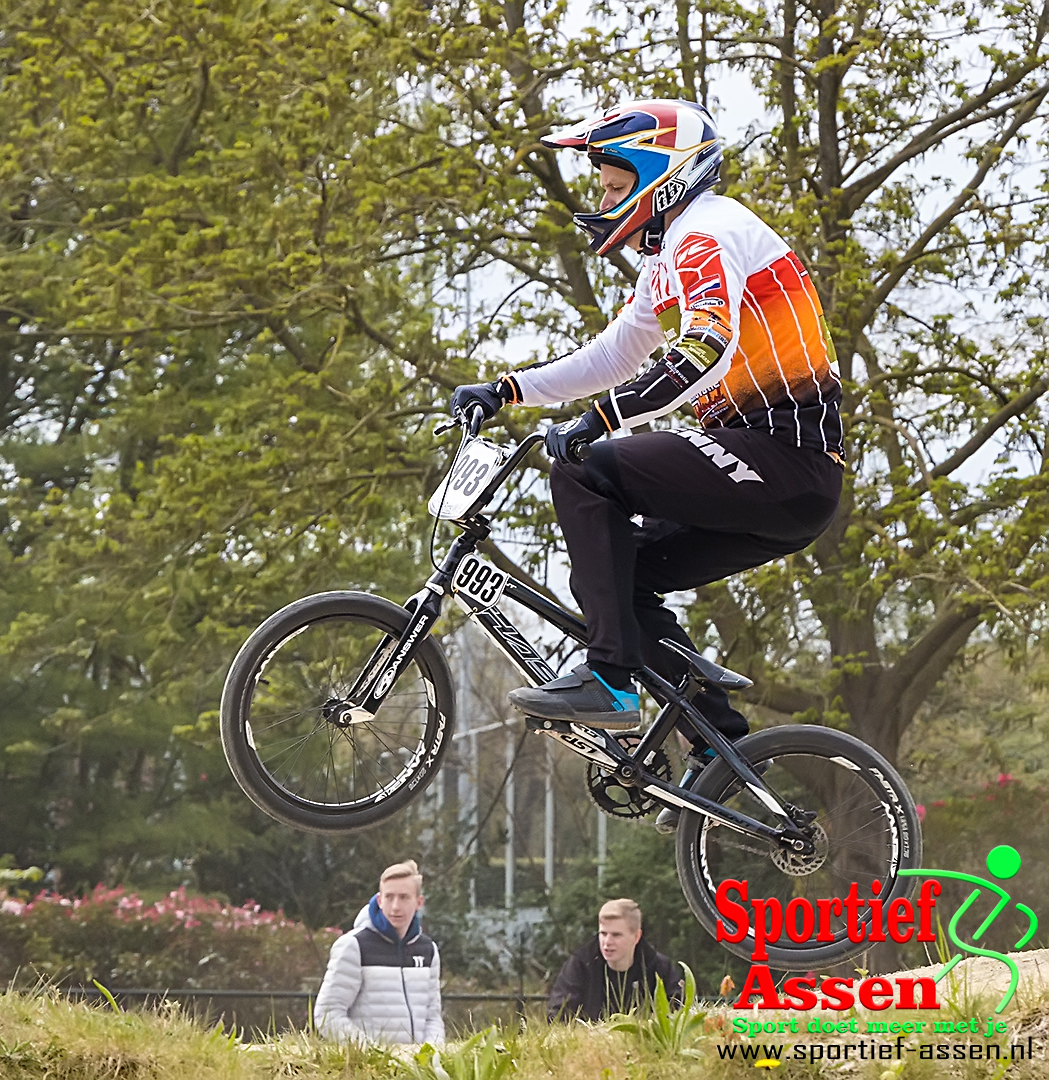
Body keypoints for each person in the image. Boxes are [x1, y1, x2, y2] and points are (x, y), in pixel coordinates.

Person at [451, 99, 843, 831]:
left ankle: (610, 680)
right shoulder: (669, 258)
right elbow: (612, 356)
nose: (600, 201)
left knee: (586, 470)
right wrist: (508, 389)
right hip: (769, 480)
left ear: (659, 174)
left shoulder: (706, 233)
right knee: (617, 570)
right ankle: (723, 746)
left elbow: (704, 352)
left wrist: (602, 420)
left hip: (783, 458)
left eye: (609, 184)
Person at [313, 860, 445, 1046]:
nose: (395, 906)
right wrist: (374, 1056)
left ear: (419, 902)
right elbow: (327, 1014)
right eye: (389, 897)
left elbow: (432, 1016)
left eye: (404, 897)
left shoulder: (428, 950)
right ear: (380, 900)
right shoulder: (354, 945)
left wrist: (431, 1055)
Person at [548, 898, 684, 1021]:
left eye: (616, 935)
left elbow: (680, 1015)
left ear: (636, 936)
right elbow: (558, 1017)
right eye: (603, 933)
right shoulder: (580, 965)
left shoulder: (659, 969)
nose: (607, 942)